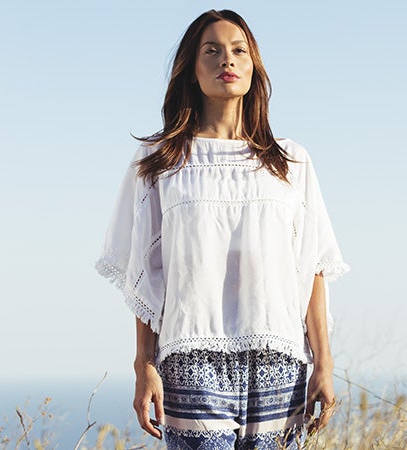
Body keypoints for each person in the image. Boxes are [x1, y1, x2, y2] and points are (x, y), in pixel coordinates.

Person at [95, 9, 349, 449]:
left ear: (254, 68)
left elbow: (313, 268)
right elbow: (146, 272)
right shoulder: (160, 161)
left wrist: (324, 364)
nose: (225, 61)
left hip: (278, 361)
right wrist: (144, 364)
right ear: (191, 71)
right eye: (210, 51)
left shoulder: (290, 162)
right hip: (190, 358)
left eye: (238, 51)